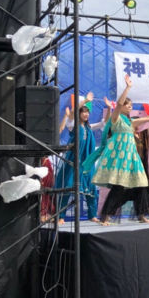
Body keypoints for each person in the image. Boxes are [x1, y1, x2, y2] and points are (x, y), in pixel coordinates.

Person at [83, 74, 149, 224]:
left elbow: (147, 119)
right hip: (121, 159)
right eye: (127, 104)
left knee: (141, 184)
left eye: (131, 105)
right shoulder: (116, 118)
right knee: (119, 187)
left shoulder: (130, 122)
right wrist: (127, 88)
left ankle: (141, 215)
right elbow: (119, 104)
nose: (130, 106)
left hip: (132, 159)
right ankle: (106, 216)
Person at [56, 93, 108, 224]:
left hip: (87, 162)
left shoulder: (89, 127)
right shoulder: (72, 124)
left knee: (91, 187)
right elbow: (73, 113)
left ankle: (92, 215)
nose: (86, 114)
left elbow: (104, 123)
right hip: (74, 161)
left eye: (87, 112)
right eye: (83, 112)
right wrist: (85, 101)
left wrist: (109, 108)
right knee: (68, 186)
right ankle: (61, 216)